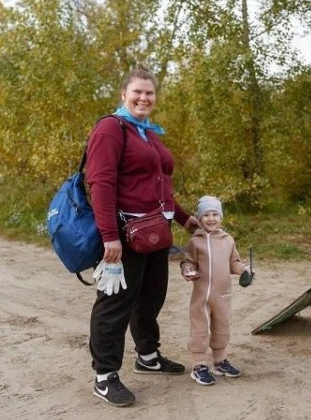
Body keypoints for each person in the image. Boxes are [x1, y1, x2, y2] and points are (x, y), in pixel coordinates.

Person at [85, 65, 199, 407]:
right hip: (123, 234)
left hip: (153, 233)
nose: (143, 98)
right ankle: (105, 377)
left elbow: (159, 186)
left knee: (151, 299)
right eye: (137, 91)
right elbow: (100, 184)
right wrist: (109, 236)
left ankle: (147, 356)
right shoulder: (111, 129)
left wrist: (184, 218)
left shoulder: (147, 133)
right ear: (124, 94)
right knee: (114, 304)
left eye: (149, 93)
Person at [179, 195, 253, 386]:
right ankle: (199, 365)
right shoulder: (195, 242)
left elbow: (234, 263)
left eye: (215, 214)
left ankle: (219, 362)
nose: (211, 219)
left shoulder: (228, 240)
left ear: (221, 217)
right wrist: (188, 270)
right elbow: (187, 261)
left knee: (222, 327)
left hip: (223, 295)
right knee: (200, 330)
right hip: (201, 297)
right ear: (199, 218)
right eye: (206, 215)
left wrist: (244, 270)